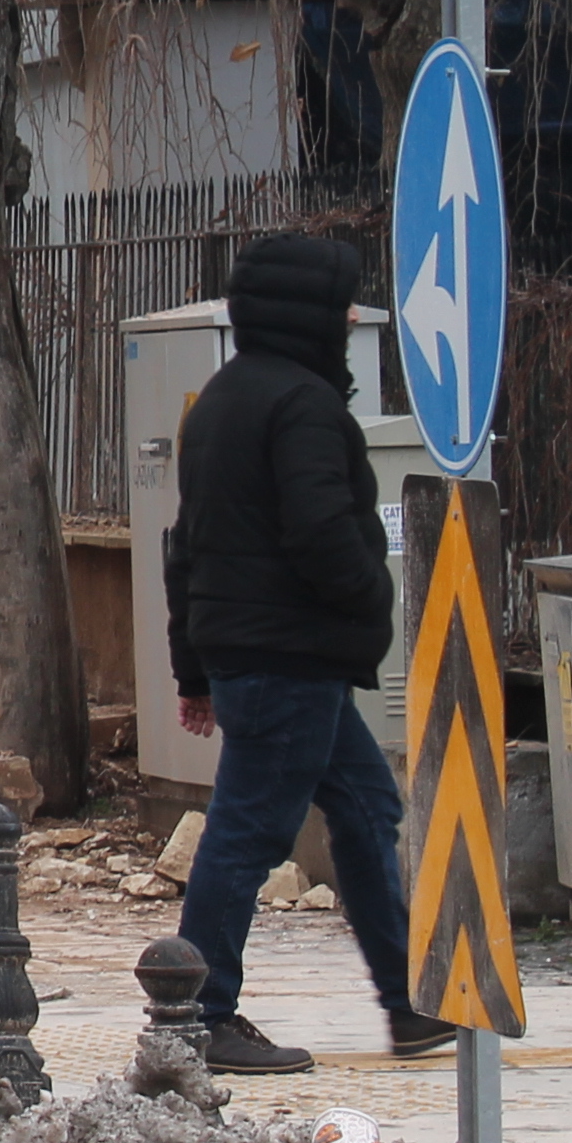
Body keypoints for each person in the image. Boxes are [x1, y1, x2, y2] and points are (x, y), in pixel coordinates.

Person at [166, 232, 455, 1072]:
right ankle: (199, 1017)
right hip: (290, 656)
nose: (353, 318)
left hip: (271, 659)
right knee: (250, 829)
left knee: (367, 811)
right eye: (343, 305)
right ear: (315, 315)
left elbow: (183, 550)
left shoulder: (217, 402)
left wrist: (193, 668)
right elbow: (322, 529)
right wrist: (375, 595)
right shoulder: (304, 406)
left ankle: (409, 1003)